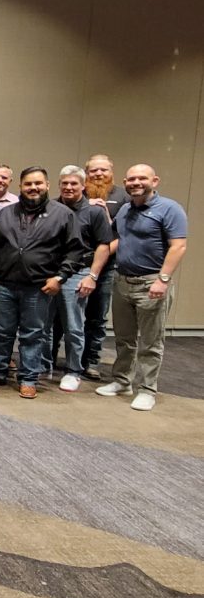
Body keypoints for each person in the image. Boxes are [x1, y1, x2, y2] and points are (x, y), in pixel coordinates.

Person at [0, 167, 83, 399]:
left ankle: (28, 378)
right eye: (28, 184)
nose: (33, 188)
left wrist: (60, 277)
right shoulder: (6, 214)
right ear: (20, 187)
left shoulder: (62, 215)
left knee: (33, 334)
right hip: (3, 284)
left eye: (38, 183)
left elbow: (74, 251)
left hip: (39, 286)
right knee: (2, 332)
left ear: (47, 185)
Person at [95, 164, 187, 411]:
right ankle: (122, 381)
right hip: (123, 280)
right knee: (124, 338)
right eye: (131, 179)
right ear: (125, 182)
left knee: (150, 341)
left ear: (154, 181)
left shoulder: (170, 209)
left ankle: (146, 390)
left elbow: (178, 246)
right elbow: (115, 241)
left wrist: (163, 279)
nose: (136, 182)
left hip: (151, 282)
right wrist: (93, 270)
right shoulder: (125, 210)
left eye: (142, 178)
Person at [50, 165, 113, 392]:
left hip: (78, 274)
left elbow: (104, 246)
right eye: (64, 183)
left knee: (74, 326)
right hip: (50, 274)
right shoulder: (51, 208)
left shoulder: (94, 212)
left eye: (74, 183)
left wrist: (92, 276)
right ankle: (43, 366)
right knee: (44, 325)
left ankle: (73, 371)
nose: (68, 187)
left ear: (83, 185)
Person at [80, 153, 129, 379]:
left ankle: (91, 361)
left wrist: (102, 253)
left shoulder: (123, 197)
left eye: (103, 170)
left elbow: (124, 232)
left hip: (107, 267)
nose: (98, 174)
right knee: (67, 317)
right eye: (93, 171)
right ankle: (66, 360)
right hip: (77, 264)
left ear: (112, 172)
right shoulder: (78, 192)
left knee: (97, 317)